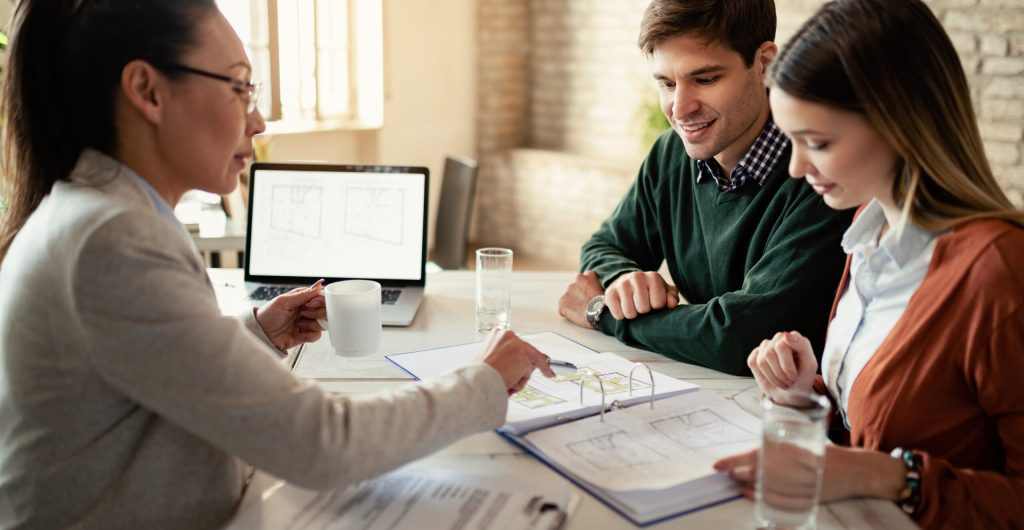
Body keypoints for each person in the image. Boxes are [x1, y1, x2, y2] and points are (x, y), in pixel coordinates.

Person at [0, 2, 554, 529]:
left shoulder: (98, 212)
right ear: (148, 91)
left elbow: (150, 377)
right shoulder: (113, 241)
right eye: (239, 87)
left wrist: (253, 335)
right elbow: (321, 444)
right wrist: (482, 381)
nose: (259, 121)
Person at [711, 0, 1024, 528]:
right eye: (791, 140)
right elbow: (881, 425)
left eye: (817, 142)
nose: (796, 167)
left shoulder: (999, 272)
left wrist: (888, 476)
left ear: (900, 124)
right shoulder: (869, 231)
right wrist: (808, 393)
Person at [557, 0, 850, 375]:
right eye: (666, 83)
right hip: (700, 387)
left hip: (786, 399)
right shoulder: (671, 153)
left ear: (764, 63)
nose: (680, 109)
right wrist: (624, 286)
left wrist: (604, 313)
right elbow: (605, 247)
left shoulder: (820, 176)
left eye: (705, 79)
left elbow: (743, 335)